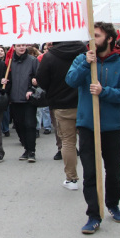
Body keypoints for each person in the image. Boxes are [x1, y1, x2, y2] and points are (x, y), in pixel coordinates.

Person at [66, 21, 120, 234]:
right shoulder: (82, 59)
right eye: (91, 36)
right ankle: (93, 215)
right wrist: (86, 64)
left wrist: (104, 91)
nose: (92, 40)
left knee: (113, 170)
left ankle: (113, 204)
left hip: (112, 127)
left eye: (96, 36)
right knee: (90, 173)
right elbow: (70, 80)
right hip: (88, 126)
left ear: (110, 39)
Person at [37, 41, 87, 190]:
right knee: (88, 141)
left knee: (67, 142)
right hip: (84, 102)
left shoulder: (50, 56)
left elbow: (42, 80)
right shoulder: (84, 51)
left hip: (61, 105)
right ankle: (92, 176)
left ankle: (72, 179)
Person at [3, 44, 39, 162]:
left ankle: (32, 151)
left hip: (28, 98)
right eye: (19, 45)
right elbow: (6, 79)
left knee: (30, 124)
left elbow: (38, 78)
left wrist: (32, 88)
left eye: (23, 45)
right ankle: (26, 148)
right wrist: (3, 81)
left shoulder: (33, 61)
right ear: (15, 47)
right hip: (14, 99)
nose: (21, 47)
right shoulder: (9, 61)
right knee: (18, 125)